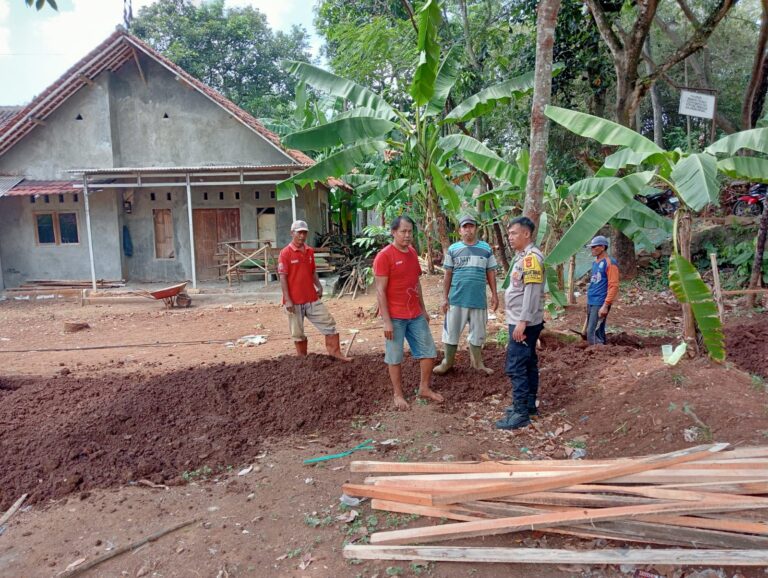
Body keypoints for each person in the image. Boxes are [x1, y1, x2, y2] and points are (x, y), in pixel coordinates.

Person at [374, 215, 443, 410]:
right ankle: (398, 394)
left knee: (429, 352)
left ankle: (424, 388)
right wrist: (386, 321)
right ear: (393, 232)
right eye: (403, 231)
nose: (407, 235)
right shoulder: (384, 256)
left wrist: (423, 309)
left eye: (410, 231)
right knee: (395, 357)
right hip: (394, 317)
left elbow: (416, 283)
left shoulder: (412, 253)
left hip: (415, 314)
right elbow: (380, 291)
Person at [496, 216, 545, 431]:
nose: (510, 237)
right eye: (509, 234)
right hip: (521, 320)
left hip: (522, 322)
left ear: (526, 234)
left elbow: (532, 293)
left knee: (516, 366)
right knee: (527, 363)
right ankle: (527, 405)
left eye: (514, 233)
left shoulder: (531, 259)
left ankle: (520, 413)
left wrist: (522, 322)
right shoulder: (522, 257)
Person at [433, 214, 499, 375]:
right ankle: (447, 362)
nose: (468, 230)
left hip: (478, 299)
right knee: (451, 332)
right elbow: (448, 274)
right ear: (460, 231)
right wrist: (444, 298)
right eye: (465, 227)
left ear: (476, 229)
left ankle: (477, 363)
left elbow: (490, 272)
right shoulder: (453, 249)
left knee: (478, 333)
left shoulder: (486, 249)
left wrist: (495, 295)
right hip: (457, 298)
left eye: (471, 226)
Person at [278, 220, 350, 361]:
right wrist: (287, 300)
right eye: (299, 232)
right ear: (292, 233)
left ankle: (335, 354)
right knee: (297, 333)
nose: (302, 236)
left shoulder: (309, 251)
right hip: (294, 301)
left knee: (329, 324)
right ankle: (302, 360)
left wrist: (319, 285)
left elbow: (312, 271)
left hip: (311, 297)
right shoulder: (285, 253)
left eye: (304, 232)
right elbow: (282, 278)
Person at [586, 235, 620, 345]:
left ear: (602, 247)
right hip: (592, 301)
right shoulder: (595, 263)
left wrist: (606, 305)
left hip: (600, 301)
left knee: (591, 332)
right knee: (598, 330)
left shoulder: (610, 263)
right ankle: (604, 351)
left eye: (594, 247)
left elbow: (613, 285)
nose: (592, 249)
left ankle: (599, 354)